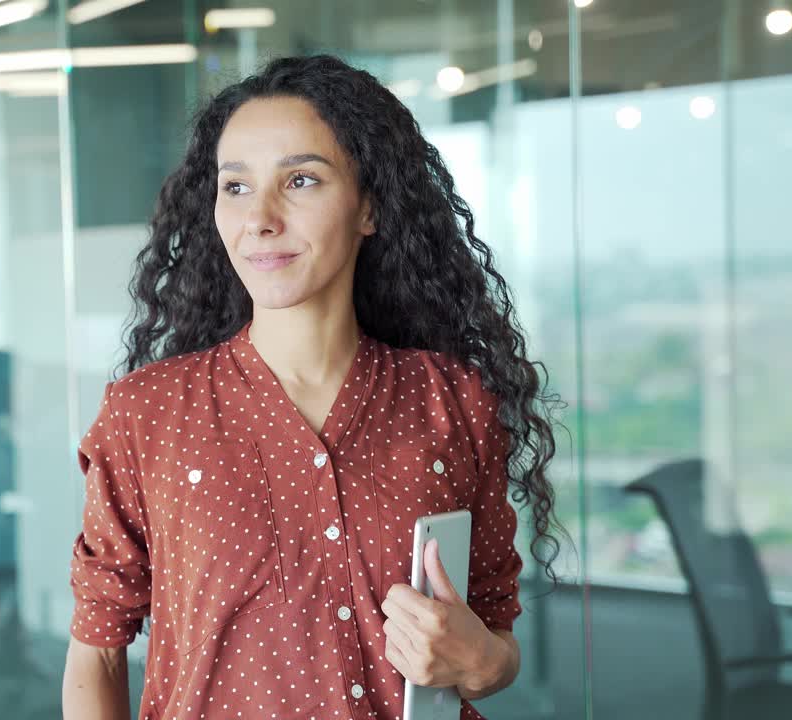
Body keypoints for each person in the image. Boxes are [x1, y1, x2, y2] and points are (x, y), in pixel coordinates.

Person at [61, 55, 562, 720]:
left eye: (300, 180)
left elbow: (493, 637)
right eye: (235, 187)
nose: (260, 218)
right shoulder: (146, 414)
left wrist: (482, 662)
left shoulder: (452, 401)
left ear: (370, 208)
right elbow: (95, 652)